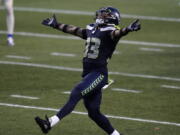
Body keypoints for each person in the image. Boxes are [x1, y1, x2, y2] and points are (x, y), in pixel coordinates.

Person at [35, 6, 141, 135]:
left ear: (111, 18)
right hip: (89, 74)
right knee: (93, 112)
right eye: (100, 14)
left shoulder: (111, 31)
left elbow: (118, 33)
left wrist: (128, 29)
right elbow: (75, 30)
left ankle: (50, 123)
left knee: (77, 92)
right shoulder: (92, 29)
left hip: (99, 74)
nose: (99, 16)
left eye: (103, 15)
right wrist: (56, 25)